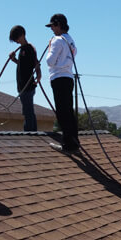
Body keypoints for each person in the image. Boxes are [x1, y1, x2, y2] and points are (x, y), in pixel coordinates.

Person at [44, 13, 79, 154]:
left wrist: (50, 46)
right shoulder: (70, 40)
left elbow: (49, 61)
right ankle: (74, 142)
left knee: (62, 113)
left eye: (52, 26)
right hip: (68, 77)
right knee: (69, 112)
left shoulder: (57, 40)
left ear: (58, 25)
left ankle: (68, 145)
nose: (52, 29)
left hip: (58, 78)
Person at [9, 25, 42, 132]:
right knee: (28, 110)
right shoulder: (22, 49)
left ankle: (30, 132)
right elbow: (23, 65)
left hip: (27, 85)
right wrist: (13, 59)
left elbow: (36, 63)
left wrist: (39, 74)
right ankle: (32, 131)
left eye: (16, 38)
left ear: (22, 35)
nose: (16, 42)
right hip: (22, 85)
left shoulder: (29, 48)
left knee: (28, 110)